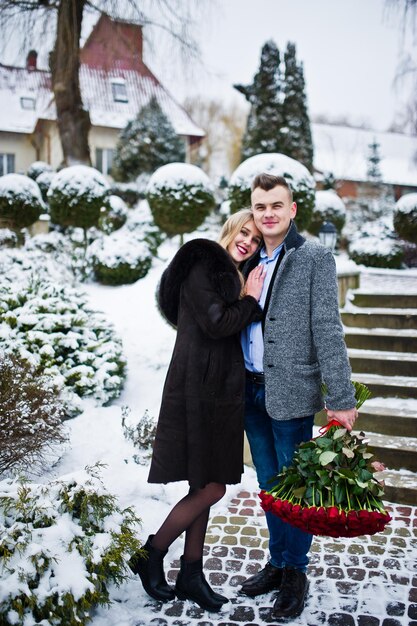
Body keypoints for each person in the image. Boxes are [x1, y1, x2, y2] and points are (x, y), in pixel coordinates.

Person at [130, 208, 266, 612]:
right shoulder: (203, 261)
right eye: (244, 232)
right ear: (229, 229)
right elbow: (217, 323)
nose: (248, 241)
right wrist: (252, 301)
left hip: (219, 391)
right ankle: (151, 553)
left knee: (202, 486)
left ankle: (191, 574)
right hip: (199, 389)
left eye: (256, 239)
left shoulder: (232, 274)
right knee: (213, 487)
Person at [239, 174, 358, 620]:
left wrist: (341, 397)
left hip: (290, 392)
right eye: (259, 206)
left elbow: (328, 329)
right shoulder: (246, 260)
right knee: (270, 486)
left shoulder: (313, 258)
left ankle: (295, 572)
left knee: (296, 489)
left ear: (292, 210)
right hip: (250, 391)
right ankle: (276, 562)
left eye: (276, 204)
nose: (267, 212)